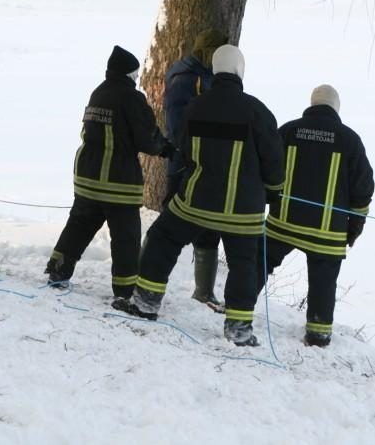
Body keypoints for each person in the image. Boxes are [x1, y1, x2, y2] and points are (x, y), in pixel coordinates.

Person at [115, 45, 285, 347]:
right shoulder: (258, 111)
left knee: (162, 239)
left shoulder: (196, 106)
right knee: (244, 262)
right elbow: (273, 161)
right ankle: (239, 327)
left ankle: (145, 303)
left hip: (196, 201)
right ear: (239, 71)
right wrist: (274, 192)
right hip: (242, 211)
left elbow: (184, 147)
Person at [44, 45, 174, 305]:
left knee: (79, 225)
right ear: (128, 74)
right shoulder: (132, 98)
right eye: (135, 74)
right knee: (126, 237)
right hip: (118, 180)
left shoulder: (98, 93)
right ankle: (124, 291)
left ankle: (58, 270)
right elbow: (147, 138)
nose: (136, 79)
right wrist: (166, 148)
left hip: (87, 176)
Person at [260, 84, 374, 347]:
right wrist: (354, 227)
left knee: (260, 262)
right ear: (336, 107)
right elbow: (363, 188)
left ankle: (237, 308)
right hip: (327, 232)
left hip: (282, 224)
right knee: (324, 281)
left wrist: (266, 199)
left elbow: (268, 166)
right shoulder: (350, 140)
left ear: (312, 104)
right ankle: (318, 333)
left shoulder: (288, 130)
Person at [163, 29, 229, 309]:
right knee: (169, 226)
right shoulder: (185, 79)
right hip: (185, 162)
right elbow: (178, 126)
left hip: (210, 163)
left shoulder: (211, 77)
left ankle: (203, 290)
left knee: (210, 226)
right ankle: (148, 278)